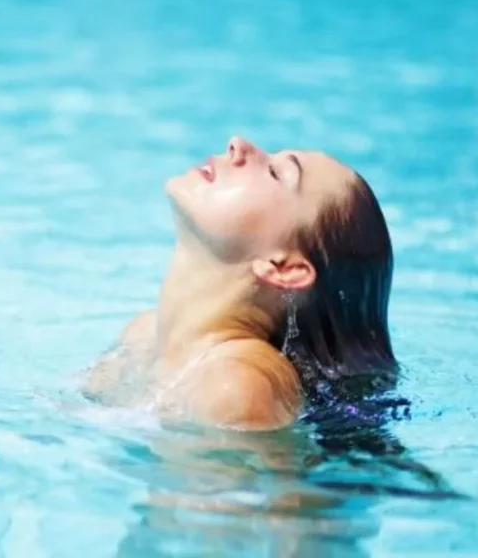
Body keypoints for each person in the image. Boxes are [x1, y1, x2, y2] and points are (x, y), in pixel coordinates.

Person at [83, 135, 399, 431]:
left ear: (285, 268)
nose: (238, 144)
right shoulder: (141, 334)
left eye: (276, 173)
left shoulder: (238, 387)